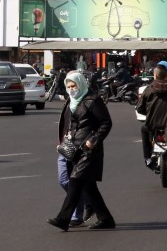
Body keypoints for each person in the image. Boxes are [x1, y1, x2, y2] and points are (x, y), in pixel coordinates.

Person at [47, 71, 116, 232]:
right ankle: (106, 219)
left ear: (81, 84)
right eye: (69, 86)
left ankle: (63, 219)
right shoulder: (71, 102)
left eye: (74, 86)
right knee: (89, 187)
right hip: (74, 149)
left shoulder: (92, 100)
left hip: (89, 150)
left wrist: (94, 140)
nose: (72, 89)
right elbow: (70, 126)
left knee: (75, 180)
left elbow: (106, 122)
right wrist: (64, 143)